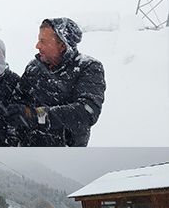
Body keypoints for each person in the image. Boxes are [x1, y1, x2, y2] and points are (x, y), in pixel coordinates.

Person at [8, 18, 106, 147]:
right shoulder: (34, 67)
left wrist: (37, 116)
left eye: (43, 41)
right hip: (28, 153)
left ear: (62, 45)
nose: (37, 46)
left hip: (65, 156)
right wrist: (13, 136)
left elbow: (87, 112)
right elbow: (17, 101)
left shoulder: (88, 67)